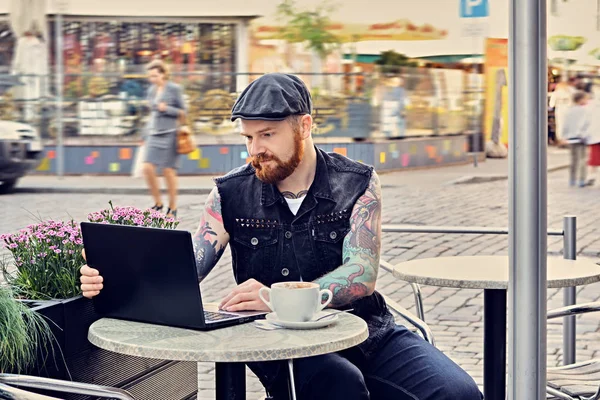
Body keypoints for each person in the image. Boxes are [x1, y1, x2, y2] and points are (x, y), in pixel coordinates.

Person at [80, 73, 482, 400]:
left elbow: (361, 274)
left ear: (304, 126)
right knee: (339, 386)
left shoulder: (357, 182)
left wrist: (280, 298)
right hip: (276, 342)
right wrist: (113, 278)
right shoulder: (229, 193)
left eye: (267, 135)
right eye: (248, 137)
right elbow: (188, 267)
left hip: (366, 330)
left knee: (459, 392)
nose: (255, 148)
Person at [142, 59, 185, 218]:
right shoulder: (152, 90)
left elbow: (183, 111)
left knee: (168, 171)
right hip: (154, 133)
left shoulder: (174, 89)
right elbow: (152, 113)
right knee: (147, 168)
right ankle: (158, 202)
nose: (152, 79)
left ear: (163, 74)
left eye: (155, 76)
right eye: (150, 76)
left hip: (170, 133)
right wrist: (144, 134)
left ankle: (172, 207)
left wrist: (167, 109)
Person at [563, 91, 591, 187]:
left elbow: (565, 124)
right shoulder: (584, 111)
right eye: (586, 99)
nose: (587, 100)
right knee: (582, 159)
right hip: (581, 138)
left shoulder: (569, 110)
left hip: (571, 138)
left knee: (573, 159)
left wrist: (564, 135)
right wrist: (584, 134)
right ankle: (581, 180)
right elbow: (585, 124)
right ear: (580, 100)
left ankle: (572, 179)